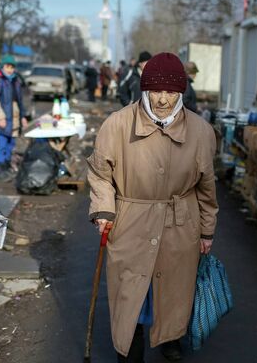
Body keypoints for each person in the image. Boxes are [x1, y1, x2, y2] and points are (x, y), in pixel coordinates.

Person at [87, 52, 218, 363]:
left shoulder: (201, 132)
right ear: (145, 89)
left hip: (180, 224)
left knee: (173, 292)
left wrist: (207, 229)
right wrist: (104, 210)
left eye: (171, 92)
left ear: (181, 92)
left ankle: (171, 337)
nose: (163, 100)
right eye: (156, 91)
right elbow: (100, 173)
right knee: (131, 296)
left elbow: (206, 187)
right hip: (131, 221)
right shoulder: (117, 125)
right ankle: (130, 350)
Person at [0, 54, 26, 182]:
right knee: (0, 145)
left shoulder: (16, 81)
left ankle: (5, 167)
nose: (10, 69)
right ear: (2, 66)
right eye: (8, 66)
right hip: (3, 120)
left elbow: (20, 102)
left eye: (12, 67)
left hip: (14, 121)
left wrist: (23, 117)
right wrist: (0, 118)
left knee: (10, 145)